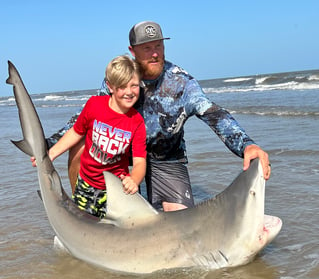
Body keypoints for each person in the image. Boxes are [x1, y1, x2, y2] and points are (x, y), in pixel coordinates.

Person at [47, 21, 271, 212]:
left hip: (167, 160)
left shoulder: (182, 83)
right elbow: (86, 118)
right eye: (146, 48)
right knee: (81, 144)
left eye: (158, 46)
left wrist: (246, 145)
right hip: (123, 156)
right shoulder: (123, 79)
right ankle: (84, 212)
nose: (154, 53)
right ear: (132, 50)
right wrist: (48, 145)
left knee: (179, 225)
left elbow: (214, 114)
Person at [35, 55, 146, 218]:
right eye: (122, 86)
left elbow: (139, 161)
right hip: (86, 184)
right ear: (110, 86)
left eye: (134, 85)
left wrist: (134, 179)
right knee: (81, 223)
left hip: (115, 190)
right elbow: (75, 133)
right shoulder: (94, 105)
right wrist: (50, 154)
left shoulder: (137, 122)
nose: (129, 92)